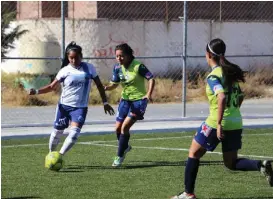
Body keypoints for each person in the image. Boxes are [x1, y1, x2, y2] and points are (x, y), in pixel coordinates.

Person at [171, 38, 273, 199]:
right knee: (231, 163)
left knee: (194, 153)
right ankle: (260, 165)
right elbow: (240, 96)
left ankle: (188, 193)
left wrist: (219, 123)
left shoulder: (213, 76)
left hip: (216, 122)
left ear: (208, 55)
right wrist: (232, 113)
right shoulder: (229, 74)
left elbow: (222, 96)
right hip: (235, 122)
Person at [29, 41, 115, 158]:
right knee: (57, 133)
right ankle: (51, 154)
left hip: (80, 108)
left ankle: (59, 156)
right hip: (64, 107)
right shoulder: (64, 71)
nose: (74, 60)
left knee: (74, 134)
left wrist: (105, 102)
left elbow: (99, 85)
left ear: (81, 56)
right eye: (71, 58)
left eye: (76, 58)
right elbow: (51, 87)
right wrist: (37, 91)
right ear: (68, 58)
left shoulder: (89, 68)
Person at [104, 43, 155, 167]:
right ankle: (125, 147)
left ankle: (119, 156)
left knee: (125, 127)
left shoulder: (138, 66)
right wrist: (105, 87)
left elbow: (151, 78)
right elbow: (114, 84)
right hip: (125, 100)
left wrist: (148, 94)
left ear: (128, 55)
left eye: (121, 56)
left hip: (139, 101)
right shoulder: (117, 68)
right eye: (117, 56)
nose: (119, 58)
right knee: (117, 128)